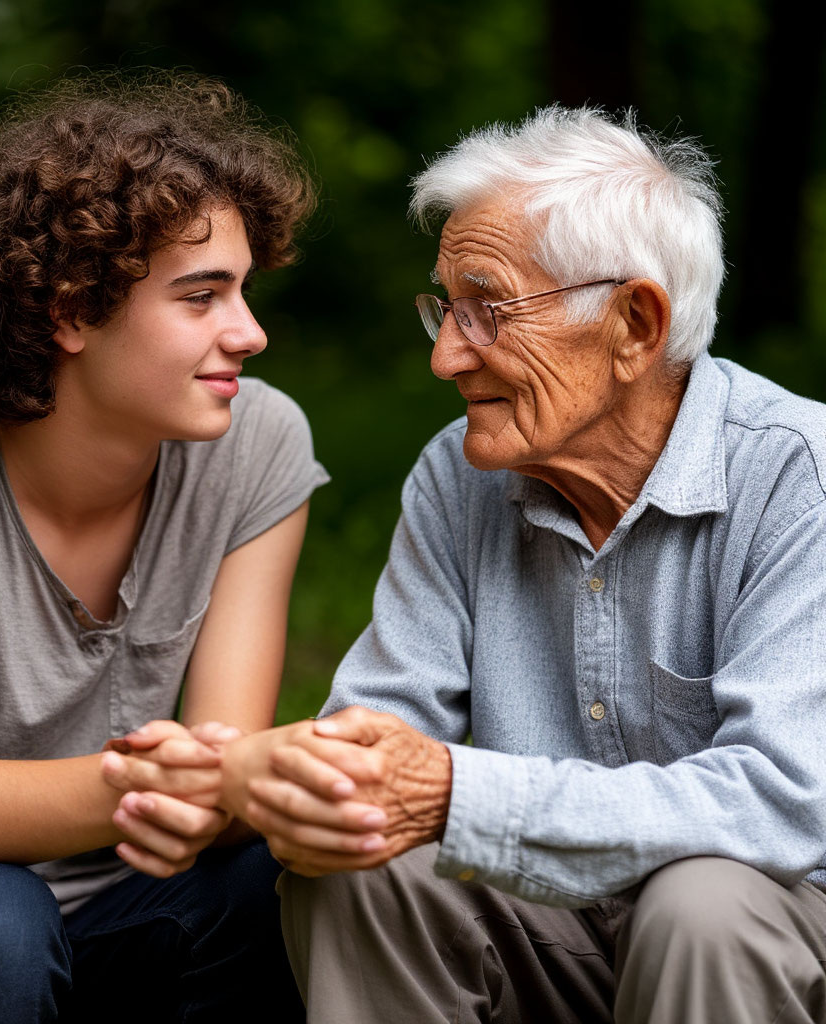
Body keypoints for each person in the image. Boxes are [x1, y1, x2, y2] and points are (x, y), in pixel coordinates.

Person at [181, 107, 826, 1023]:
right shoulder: (460, 472)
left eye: (488, 309)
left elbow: (781, 804)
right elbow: (381, 728)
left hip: (774, 930)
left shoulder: (800, 475)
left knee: (700, 907)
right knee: (359, 867)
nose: (447, 355)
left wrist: (455, 791)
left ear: (635, 324)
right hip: (563, 920)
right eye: (445, 309)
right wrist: (306, 783)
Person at [0, 76, 323, 1021]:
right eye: (202, 296)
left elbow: (221, 778)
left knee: (275, 881)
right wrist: (191, 778)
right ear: (72, 311)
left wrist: (272, 782)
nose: (248, 333)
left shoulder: (260, 443)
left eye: (242, 291)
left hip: (122, 901)